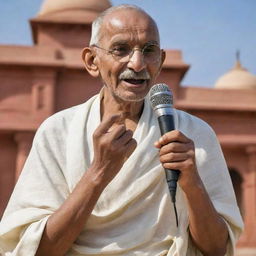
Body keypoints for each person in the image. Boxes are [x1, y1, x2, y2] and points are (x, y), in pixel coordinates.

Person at [0, 4, 243, 256]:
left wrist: (192, 183)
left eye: (148, 51)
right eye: (120, 49)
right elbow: (37, 251)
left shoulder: (193, 133)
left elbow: (216, 249)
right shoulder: (57, 133)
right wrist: (98, 173)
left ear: (160, 61)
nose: (137, 63)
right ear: (92, 61)